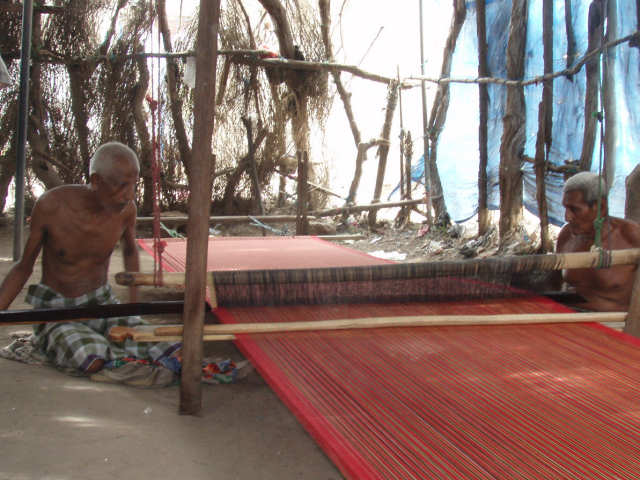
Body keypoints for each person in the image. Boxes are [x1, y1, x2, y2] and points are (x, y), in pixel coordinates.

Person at [0, 142, 180, 375]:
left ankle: (110, 343)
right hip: (57, 310)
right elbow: (24, 267)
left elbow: (129, 251)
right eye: (122, 186)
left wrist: (132, 310)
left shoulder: (127, 210)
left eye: (133, 185)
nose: (129, 195)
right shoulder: (52, 207)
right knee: (92, 359)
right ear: (96, 181)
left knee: (169, 350)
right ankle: (65, 340)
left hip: (102, 304)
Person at [556, 171, 640, 312]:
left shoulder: (631, 236)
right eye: (565, 208)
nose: (567, 217)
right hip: (568, 319)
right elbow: (554, 284)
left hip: (615, 326)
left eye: (574, 209)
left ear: (601, 207)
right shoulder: (566, 235)